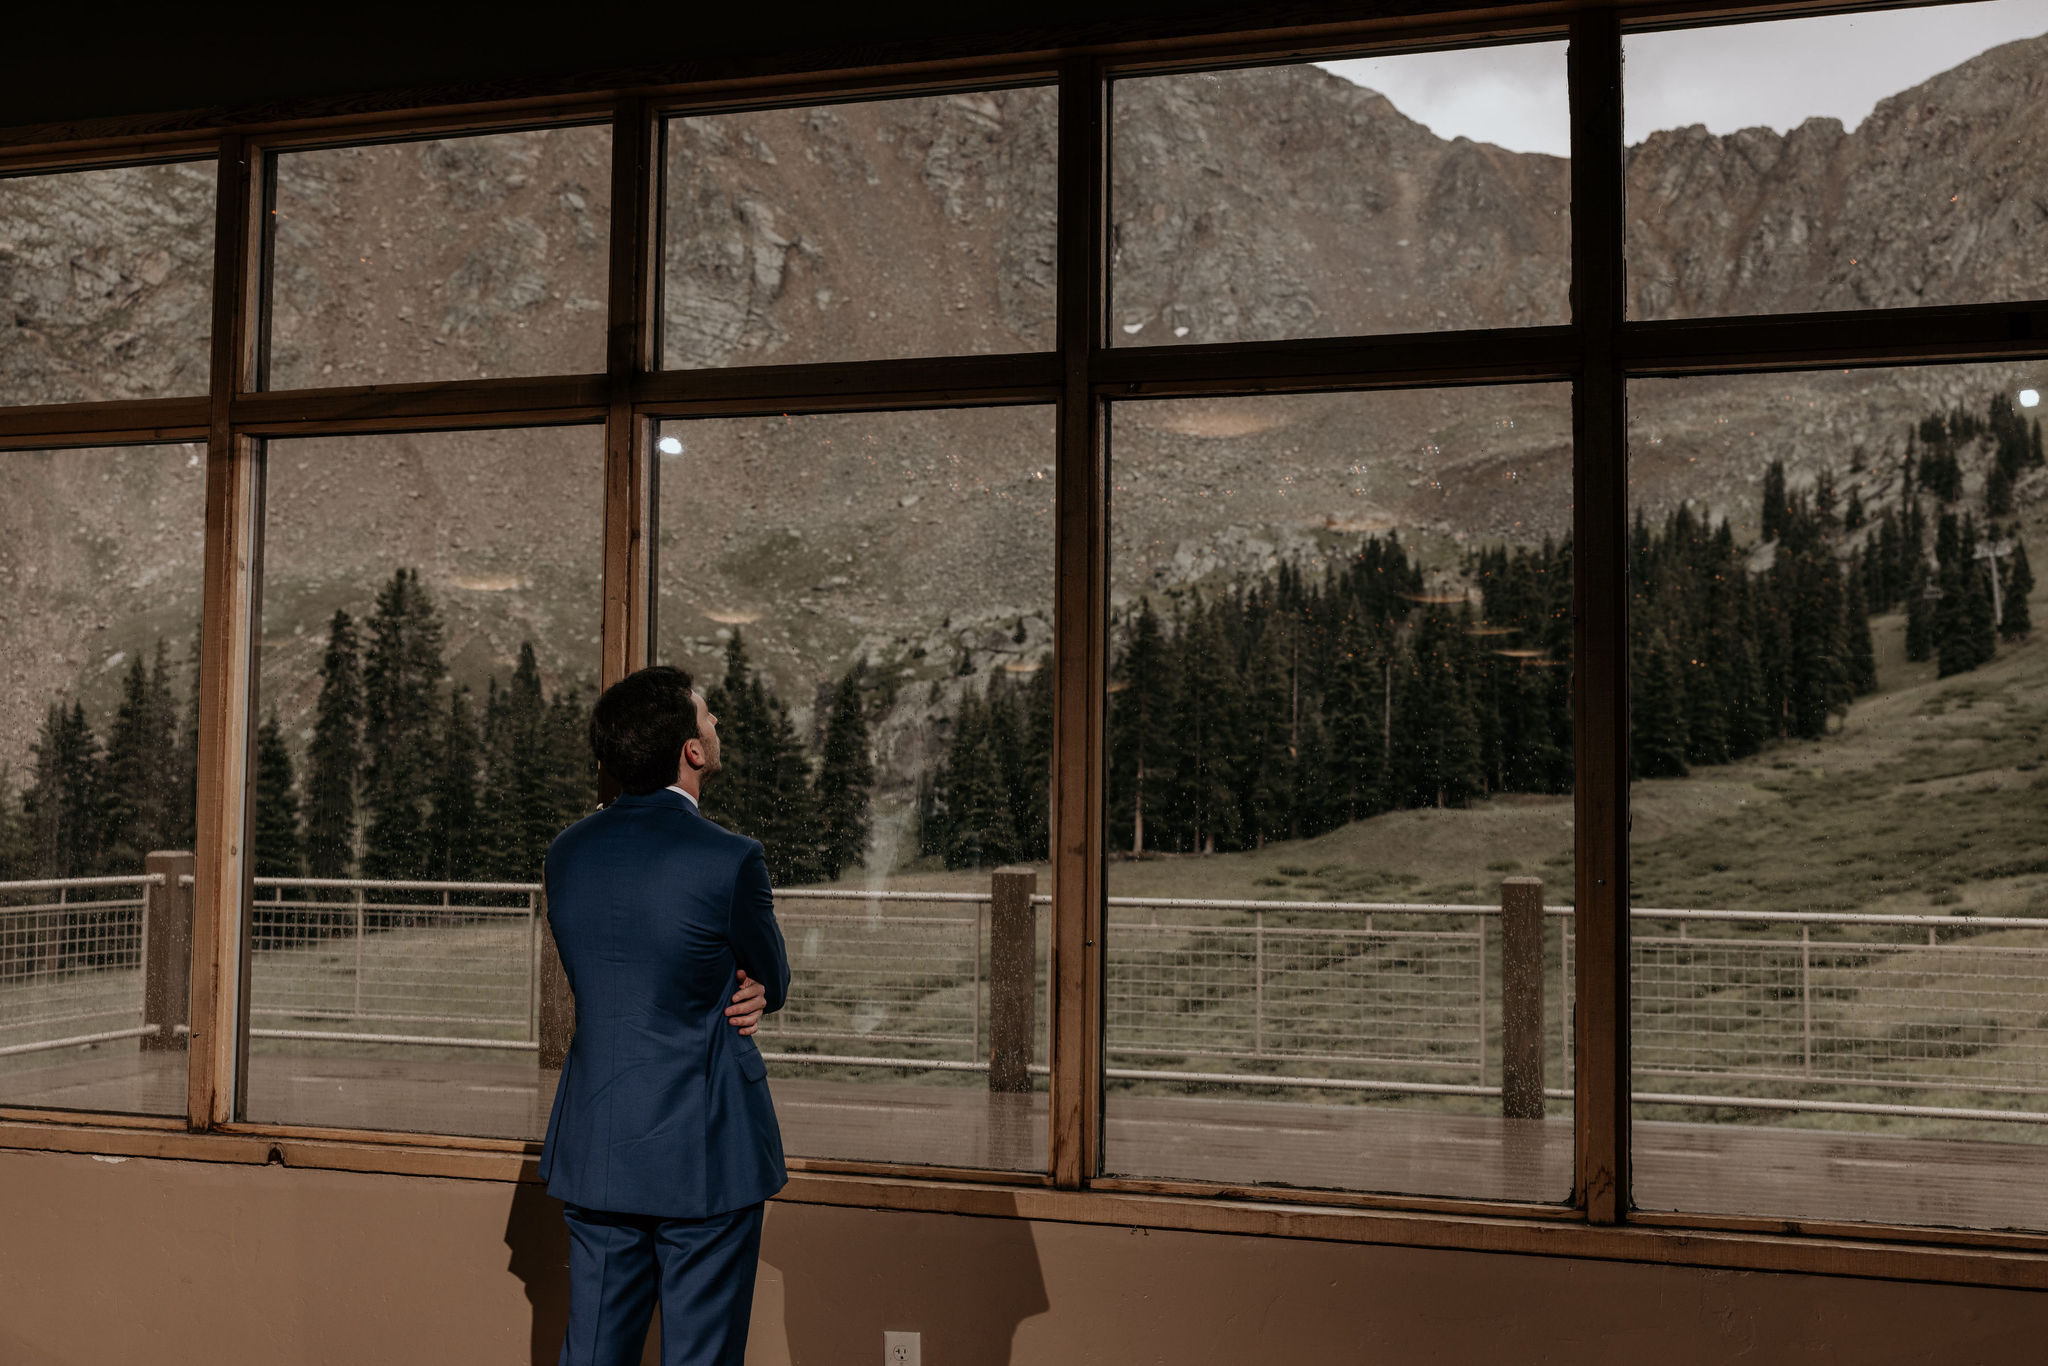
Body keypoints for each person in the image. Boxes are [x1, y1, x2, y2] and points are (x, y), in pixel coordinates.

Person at [538, 664, 792, 1366]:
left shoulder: (567, 853)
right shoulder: (731, 859)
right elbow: (770, 974)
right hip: (705, 1153)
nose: (715, 726)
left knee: (590, 1355)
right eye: (707, 718)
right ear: (692, 751)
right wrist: (758, 989)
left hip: (599, 1148)